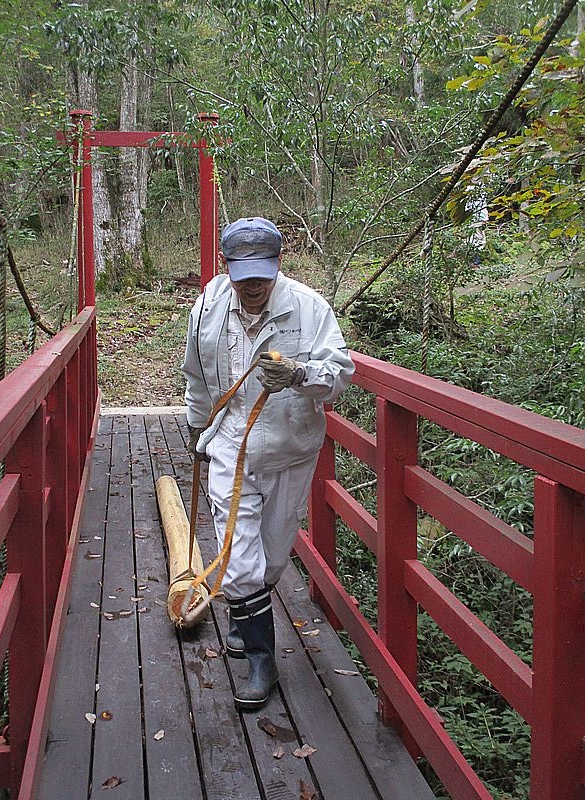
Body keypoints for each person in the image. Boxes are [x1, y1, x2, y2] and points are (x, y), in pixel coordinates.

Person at [181, 216, 354, 711]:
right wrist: (197, 427)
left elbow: (340, 375)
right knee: (239, 561)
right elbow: (196, 373)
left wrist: (301, 374)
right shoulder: (207, 309)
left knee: (273, 558)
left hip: (290, 451)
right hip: (229, 444)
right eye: (243, 275)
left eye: (262, 274)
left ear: (278, 265)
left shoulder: (309, 307)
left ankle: (246, 614)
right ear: (226, 266)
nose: (252, 285)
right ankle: (262, 661)